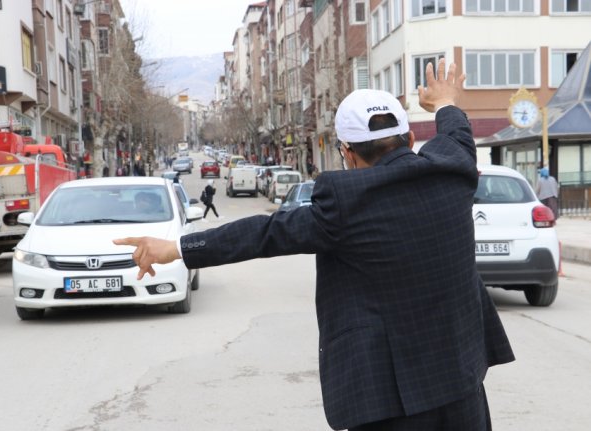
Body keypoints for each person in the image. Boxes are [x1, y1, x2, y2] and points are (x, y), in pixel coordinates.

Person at [112, 59, 514, 430]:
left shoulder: (345, 202)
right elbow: (456, 129)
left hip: (390, 401)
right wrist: (444, 99)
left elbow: (263, 234)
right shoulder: (453, 169)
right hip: (463, 385)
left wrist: (179, 248)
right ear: (410, 137)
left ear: (347, 154)